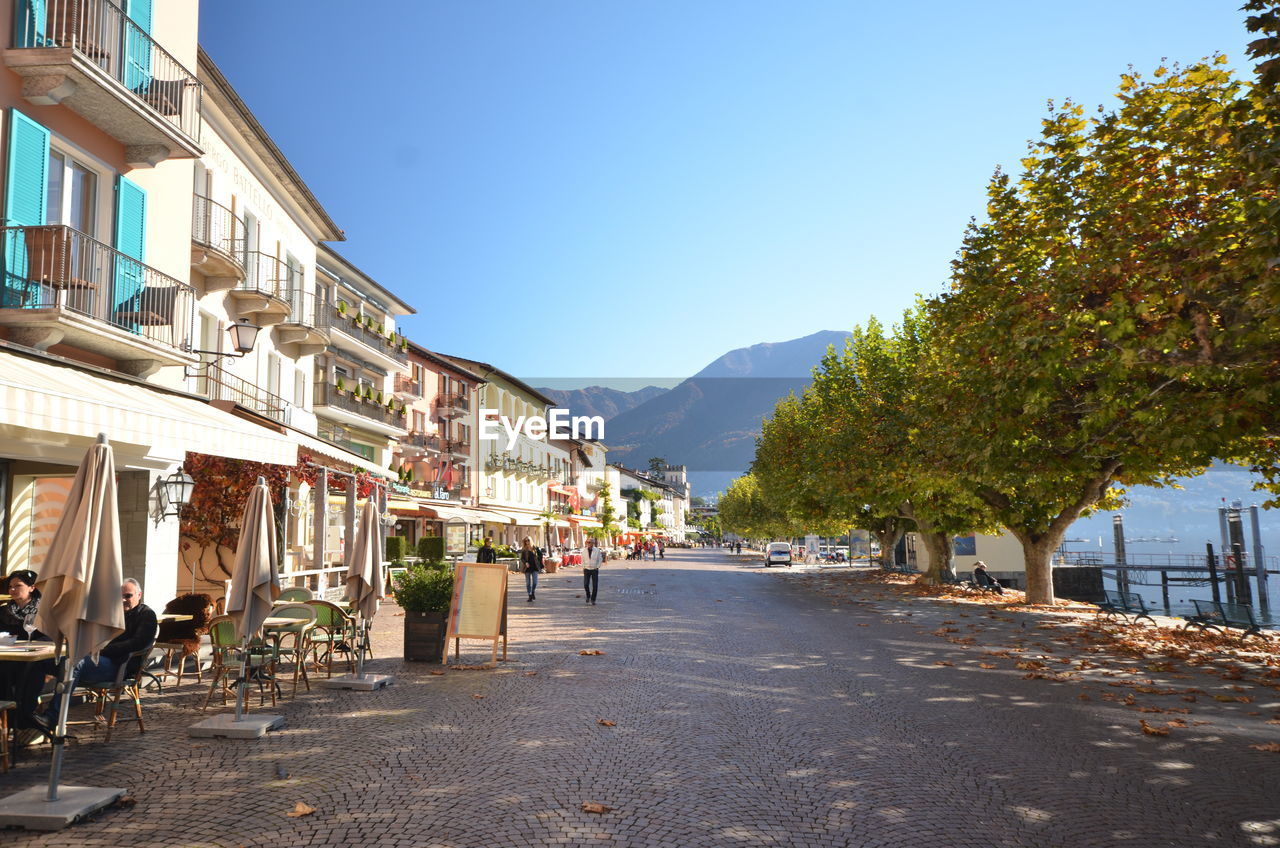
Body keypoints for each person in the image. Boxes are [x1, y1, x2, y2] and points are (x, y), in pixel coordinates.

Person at [35, 578, 158, 735]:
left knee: (74, 662)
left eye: (128, 596)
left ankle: (52, 718)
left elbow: (137, 643)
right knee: (42, 662)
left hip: (120, 666)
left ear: (139, 595)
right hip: (96, 659)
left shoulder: (146, 615)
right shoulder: (110, 613)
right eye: (118, 596)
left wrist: (101, 650)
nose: (123, 600)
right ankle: (25, 713)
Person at [1, 570, 55, 740]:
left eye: (18, 586)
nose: (13, 590)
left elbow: (51, 636)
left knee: (31, 671)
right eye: (10, 587)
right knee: (3, 669)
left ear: (32, 587)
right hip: (11, 656)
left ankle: (25, 718)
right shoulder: (4, 611)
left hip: (38, 658)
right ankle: (10, 718)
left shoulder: (45, 610)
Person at [519, 537, 543, 602]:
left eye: (528, 540)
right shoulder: (524, 549)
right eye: (526, 541)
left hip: (535, 567)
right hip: (527, 568)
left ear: (531, 540)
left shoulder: (536, 548)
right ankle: (530, 595)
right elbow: (522, 558)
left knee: (535, 582)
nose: (527, 542)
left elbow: (541, 555)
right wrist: (525, 563)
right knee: (528, 583)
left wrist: (539, 563)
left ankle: (532, 592)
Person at [582, 537, 604, 605]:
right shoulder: (584, 550)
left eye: (589, 542)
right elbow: (582, 559)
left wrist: (597, 567)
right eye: (587, 542)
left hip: (594, 569)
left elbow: (600, 559)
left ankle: (593, 599)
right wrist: (583, 567)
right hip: (586, 569)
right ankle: (588, 595)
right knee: (586, 584)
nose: (588, 544)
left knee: (595, 585)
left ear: (593, 543)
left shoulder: (597, 550)